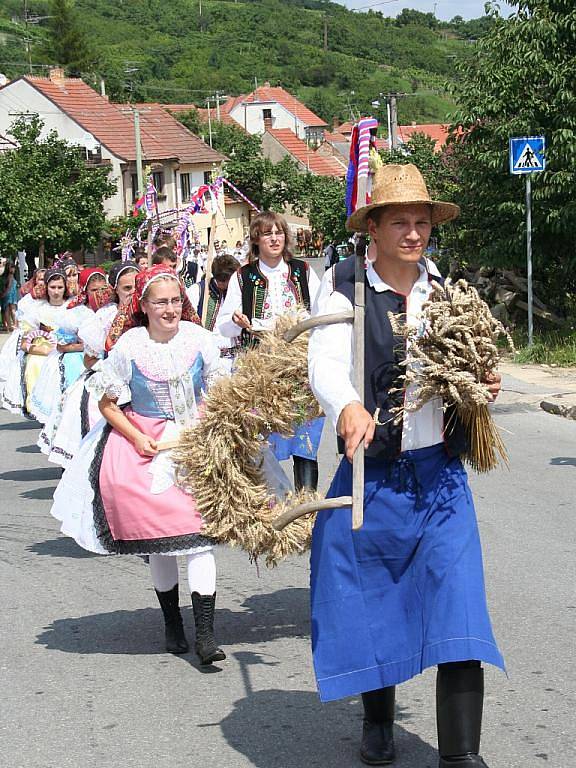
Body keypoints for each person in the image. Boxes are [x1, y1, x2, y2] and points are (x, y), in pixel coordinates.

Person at [308, 164, 504, 767]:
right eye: (400, 222)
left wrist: (480, 382)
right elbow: (326, 363)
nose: (413, 233)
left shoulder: (445, 292)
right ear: (374, 229)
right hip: (373, 476)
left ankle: (460, 756)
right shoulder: (344, 288)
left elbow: (467, 364)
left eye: (421, 222)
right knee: (374, 601)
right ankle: (377, 724)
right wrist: (345, 406)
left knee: (458, 601)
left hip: (441, 476)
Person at [50, 265, 227, 665]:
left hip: (195, 443)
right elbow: (107, 403)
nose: (169, 309)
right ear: (143, 306)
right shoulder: (130, 346)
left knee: (201, 540)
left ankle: (205, 635)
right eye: (160, 302)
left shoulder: (199, 339)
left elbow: (219, 389)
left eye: (176, 301)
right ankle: (172, 624)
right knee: (164, 542)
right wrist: (136, 437)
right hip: (148, 443)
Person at [217, 211, 323, 492]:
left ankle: (307, 508)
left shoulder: (302, 271)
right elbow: (223, 325)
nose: (274, 238)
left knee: (305, 439)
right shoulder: (244, 276)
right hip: (260, 370)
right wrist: (238, 323)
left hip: (298, 368)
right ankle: (272, 508)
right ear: (256, 240)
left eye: (278, 232)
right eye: (267, 233)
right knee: (261, 441)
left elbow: (320, 313)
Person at [40, 261, 140, 467]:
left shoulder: (147, 314)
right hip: (110, 385)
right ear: (116, 290)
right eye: (126, 288)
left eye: (136, 287)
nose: (132, 293)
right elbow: (90, 358)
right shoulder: (105, 316)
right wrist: (108, 370)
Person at [28, 268, 104, 424]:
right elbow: (63, 345)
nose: (98, 294)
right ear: (85, 290)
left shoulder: (110, 310)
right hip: (79, 360)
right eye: (93, 290)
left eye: (102, 290)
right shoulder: (77, 311)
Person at [187, 253, 240, 374]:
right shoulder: (198, 292)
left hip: (237, 358)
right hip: (212, 361)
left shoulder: (239, 292)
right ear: (220, 281)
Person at [1, 262, 19, 332]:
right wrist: (5, 293)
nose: (13, 269)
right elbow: (9, 287)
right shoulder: (11, 275)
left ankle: (9, 326)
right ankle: (14, 325)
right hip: (10, 294)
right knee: (12, 310)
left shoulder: (6, 276)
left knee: (7, 310)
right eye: (12, 267)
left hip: (9, 294)